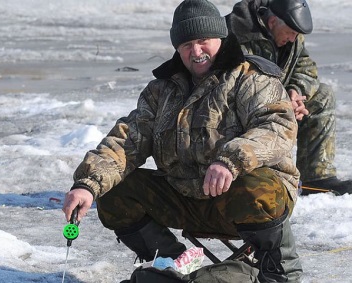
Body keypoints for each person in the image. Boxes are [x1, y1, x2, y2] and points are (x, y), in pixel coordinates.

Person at [63, 0, 303, 281]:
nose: (196, 51)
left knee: (256, 186)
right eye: (187, 44)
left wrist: (230, 160)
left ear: (220, 38)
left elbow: (277, 126)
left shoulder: (251, 77)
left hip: (243, 201)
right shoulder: (161, 89)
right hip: (187, 196)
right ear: (177, 48)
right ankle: (174, 263)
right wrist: (87, 185)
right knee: (114, 192)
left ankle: (278, 270)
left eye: (203, 41)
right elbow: (128, 139)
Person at [226, 0, 352, 195]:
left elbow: (305, 67)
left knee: (322, 95)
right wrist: (282, 103)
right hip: (239, 106)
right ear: (273, 21)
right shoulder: (235, 36)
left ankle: (317, 176)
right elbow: (236, 86)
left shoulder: (291, 34)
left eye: (296, 34)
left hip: (276, 98)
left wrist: (296, 92)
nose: (294, 39)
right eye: (291, 33)